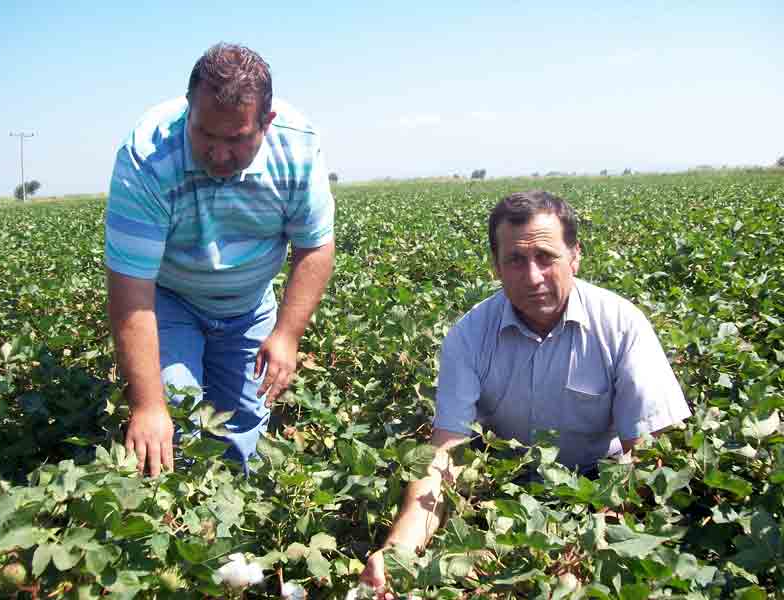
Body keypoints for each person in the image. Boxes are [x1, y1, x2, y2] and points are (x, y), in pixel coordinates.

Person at [361, 190, 690, 590]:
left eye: (546, 257)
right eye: (515, 260)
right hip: (503, 495)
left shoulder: (621, 325)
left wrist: (591, 537)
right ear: (496, 267)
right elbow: (445, 453)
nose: (532, 277)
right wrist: (399, 551)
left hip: (600, 492)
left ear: (575, 256)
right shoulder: (468, 337)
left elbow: (647, 453)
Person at [105, 43, 335, 477]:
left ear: (266, 123)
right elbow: (131, 288)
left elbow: (315, 246)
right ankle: (178, 527)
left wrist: (286, 335)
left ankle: (228, 531)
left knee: (243, 425)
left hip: (249, 303)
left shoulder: (298, 149)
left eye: (235, 139)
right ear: (189, 109)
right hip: (169, 299)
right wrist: (148, 405)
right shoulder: (147, 156)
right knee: (177, 416)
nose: (218, 154)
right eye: (204, 135)